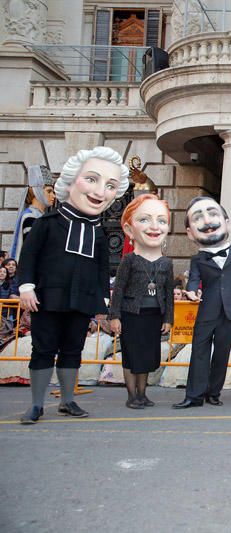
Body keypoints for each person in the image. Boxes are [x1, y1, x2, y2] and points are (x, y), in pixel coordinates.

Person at [17, 146, 130, 424]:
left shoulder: (100, 233)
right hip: (47, 297)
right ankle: (36, 404)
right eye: (92, 180)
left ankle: (67, 400)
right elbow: (28, 256)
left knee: (73, 349)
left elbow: (102, 268)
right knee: (42, 349)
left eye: (110, 185)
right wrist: (26, 287)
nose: (100, 191)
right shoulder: (47, 223)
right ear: (71, 181)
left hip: (82, 300)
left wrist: (103, 301)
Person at [172, 196, 231, 409]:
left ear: (227, 221)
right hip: (208, 309)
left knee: (222, 353)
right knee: (199, 351)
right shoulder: (197, 258)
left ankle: (213, 393)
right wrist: (191, 291)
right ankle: (193, 396)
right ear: (190, 232)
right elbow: (194, 279)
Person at [108, 194, 174, 409]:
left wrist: (168, 319)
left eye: (162, 220)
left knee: (147, 356)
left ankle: (143, 394)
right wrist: (114, 316)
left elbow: (168, 292)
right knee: (131, 355)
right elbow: (118, 289)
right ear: (129, 230)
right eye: (145, 219)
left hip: (154, 314)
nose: (155, 227)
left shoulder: (166, 262)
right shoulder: (129, 260)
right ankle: (131, 396)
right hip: (131, 314)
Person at [10, 165, 56, 262]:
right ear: (37, 191)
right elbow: (32, 250)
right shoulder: (30, 217)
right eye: (49, 191)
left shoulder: (41, 215)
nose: (53, 196)